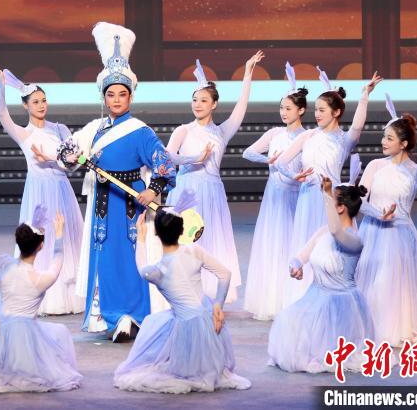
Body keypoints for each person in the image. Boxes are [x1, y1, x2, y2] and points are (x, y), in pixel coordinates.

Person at [58, 22, 176, 341]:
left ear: (130, 96)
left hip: (131, 203)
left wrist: (153, 189)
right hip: (102, 202)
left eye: (122, 94)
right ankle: (110, 317)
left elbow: (165, 164)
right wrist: (70, 154)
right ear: (104, 97)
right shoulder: (93, 129)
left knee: (131, 259)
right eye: (111, 94)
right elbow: (66, 153)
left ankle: (135, 315)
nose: (116, 99)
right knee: (105, 259)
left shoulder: (141, 131)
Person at [114, 190, 251, 393]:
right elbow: (225, 274)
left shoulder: (158, 271)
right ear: (181, 231)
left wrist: (140, 239)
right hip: (208, 322)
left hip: (188, 327)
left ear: (156, 233)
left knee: (156, 326)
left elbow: (141, 269)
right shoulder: (194, 251)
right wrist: (217, 306)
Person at [0, 62, 85, 315]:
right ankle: (45, 297)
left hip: (62, 190)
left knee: (67, 239)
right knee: (43, 239)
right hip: (39, 193)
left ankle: (70, 296)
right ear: (25, 106)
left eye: (43, 100)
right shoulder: (23, 133)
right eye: (36, 102)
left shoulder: (60, 130)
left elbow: (76, 163)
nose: (41, 105)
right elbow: (1, 112)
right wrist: (1, 83)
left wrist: (54, 159)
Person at [275, 68, 381, 305]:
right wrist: (295, 175)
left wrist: (364, 95)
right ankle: (304, 300)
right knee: (308, 246)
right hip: (306, 199)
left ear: (337, 112)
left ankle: (332, 300)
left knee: (331, 253)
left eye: (322, 110)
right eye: (316, 110)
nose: (317, 114)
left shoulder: (344, 140)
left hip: (332, 202)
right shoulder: (308, 136)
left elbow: (358, 125)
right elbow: (281, 163)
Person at [165, 52, 264, 302]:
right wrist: (193, 159)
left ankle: (210, 292)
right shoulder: (183, 130)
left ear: (214, 104)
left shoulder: (221, 132)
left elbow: (241, 108)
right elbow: (167, 157)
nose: (197, 104)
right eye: (194, 100)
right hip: (187, 192)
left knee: (211, 242)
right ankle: (183, 291)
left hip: (213, 193)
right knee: (186, 242)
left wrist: (247, 73)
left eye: (203, 100)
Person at [0, 207, 82, 394]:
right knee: (60, 333)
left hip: (1, 333)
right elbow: (58, 259)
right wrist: (59, 235)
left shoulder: (3, 263)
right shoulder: (41, 279)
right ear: (41, 246)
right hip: (26, 337)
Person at [356, 98, 417, 346]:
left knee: (392, 283)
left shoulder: (414, 170)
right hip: (373, 231)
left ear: (403, 143)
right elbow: (359, 200)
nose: (383, 142)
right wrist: (377, 214)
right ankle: (369, 326)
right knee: (373, 281)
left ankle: (393, 327)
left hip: (399, 235)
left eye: (389, 138)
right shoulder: (375, 165)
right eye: (383, 137)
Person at [267, 176, 374, 374]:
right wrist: (295, 267)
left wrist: (326, 193)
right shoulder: (323, 232)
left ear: (340, 208)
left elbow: (336, 231)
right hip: (315, 297)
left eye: (332, 201)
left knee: (321, 350)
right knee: (286, 323)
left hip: (341, 306)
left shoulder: (354, 240)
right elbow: (300, 256)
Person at [242, 62, 307, 320]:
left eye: (288, 108)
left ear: (301, 110)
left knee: (292, 243)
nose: (283, 112)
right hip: (274, 196)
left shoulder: (307, 137)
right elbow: (248, 153)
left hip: (295, 196)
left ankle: (293, 298)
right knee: (272, 244)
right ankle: (272, 299)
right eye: (281, 108)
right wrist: (266, 160)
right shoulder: (274, 133)